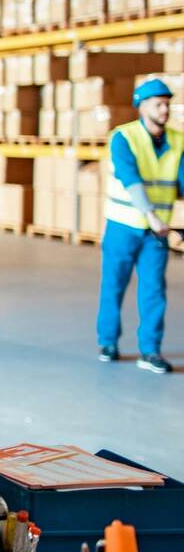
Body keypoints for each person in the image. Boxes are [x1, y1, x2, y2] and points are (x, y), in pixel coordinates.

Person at [96, 77, 182, 374]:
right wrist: (152, 215)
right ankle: (108, 342)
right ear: (142, 106)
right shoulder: (124, 137)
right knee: (114, 286)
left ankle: (150, 351)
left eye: (167, 104)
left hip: (155, 234)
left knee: (154, 291)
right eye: (158, 104)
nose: (164, 109)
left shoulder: (178, 140)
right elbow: (130, 178)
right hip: (123, 225)